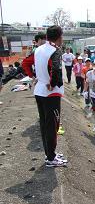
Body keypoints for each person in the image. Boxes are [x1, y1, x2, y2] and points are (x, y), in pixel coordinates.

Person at [33, 25, 67, 167]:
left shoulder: (38, 49)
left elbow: (27, 63)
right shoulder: (55, 51)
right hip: (50, 92)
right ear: (59, 37)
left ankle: (49, 154)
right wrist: (53, 83)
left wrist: (36, 77)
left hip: (39, 90)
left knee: (44, 124)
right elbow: (56, 70)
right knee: (53, 125)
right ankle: (51, 158)